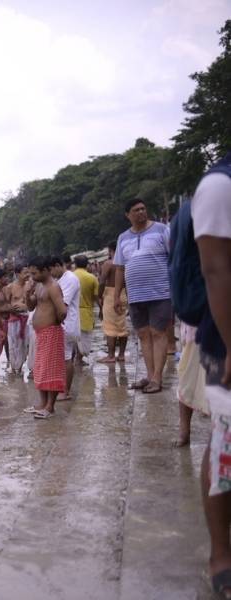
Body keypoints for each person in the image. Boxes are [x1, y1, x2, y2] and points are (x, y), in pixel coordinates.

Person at [191, 152, 231, 598]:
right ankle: (222, 551)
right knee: (226, 443)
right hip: (225, 339)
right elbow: (216, 269)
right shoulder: (220, 186)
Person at [114, 198, 172, 394]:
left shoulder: (161, 230)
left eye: (143, 209)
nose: (141, 212)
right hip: (136, 295)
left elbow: (173, 258)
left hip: (161, 291)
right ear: (127, 215)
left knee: (158, 333)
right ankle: (149, 374)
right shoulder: (123, 238)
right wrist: (116, 296)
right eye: (136, 210)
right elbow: (120, 269)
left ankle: (157, 378)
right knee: (143, 335)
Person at [25, 256, 67, 418]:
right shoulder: (39, 286)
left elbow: (62, 310)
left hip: (51, 332)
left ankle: (50, 407)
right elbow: (30, 307)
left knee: (51, 370)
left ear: (44, 271)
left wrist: (55, 323)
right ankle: (42, 403)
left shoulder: (53, 287)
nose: (32, 277)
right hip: (40, 333)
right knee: (40, 369)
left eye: (34, 273)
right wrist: (28, 294)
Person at [51, 255, 81, 400]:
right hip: (64, 323)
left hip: (67, 323)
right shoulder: (61, 279)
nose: (51, 273)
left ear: (58, 265)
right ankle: (62, 388)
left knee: (66, 357)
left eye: (52, 269)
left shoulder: (70, 279)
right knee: (64, 357)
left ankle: (65, 391)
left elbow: (63, 305)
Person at [97, 242, 129, 363]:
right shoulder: (125, 263)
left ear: (110, 250)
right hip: (123, 293)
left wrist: (99, 296)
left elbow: (101, 281)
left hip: (111, 294)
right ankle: (121, 354)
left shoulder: (109, 263)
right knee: (122, 326)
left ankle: (110, 356)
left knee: (110, 326)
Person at [5, 264, 31, 374]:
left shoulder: (30, 286)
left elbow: (33, 303)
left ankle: (20, 368)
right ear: (17, 274)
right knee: (13, 343)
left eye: (28, 272)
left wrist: (25, 307)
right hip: (14, 319)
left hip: (27, 318)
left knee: (25, 344)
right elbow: (5, 304)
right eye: (25, 273)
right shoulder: (10, 287)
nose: (27, 275)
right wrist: (13, 309)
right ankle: (14, 366)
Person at [73, 255, 99, 364]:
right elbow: (96, 297)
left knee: (73, 335)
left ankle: (75, 358)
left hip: (72, 311)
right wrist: (101, 309)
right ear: (87, 264)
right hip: (86, 311)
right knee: (84, 337)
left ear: (75, 264)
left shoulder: (71, 276)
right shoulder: (92, 278)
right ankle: (79, 358)